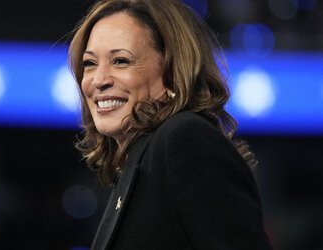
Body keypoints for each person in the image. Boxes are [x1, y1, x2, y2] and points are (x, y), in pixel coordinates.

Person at [68, 0, 273, 249]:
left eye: (121, 60)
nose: (98, 80)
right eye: (89, 63)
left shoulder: (185, 139)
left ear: (172, 71)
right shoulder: (140, 162)